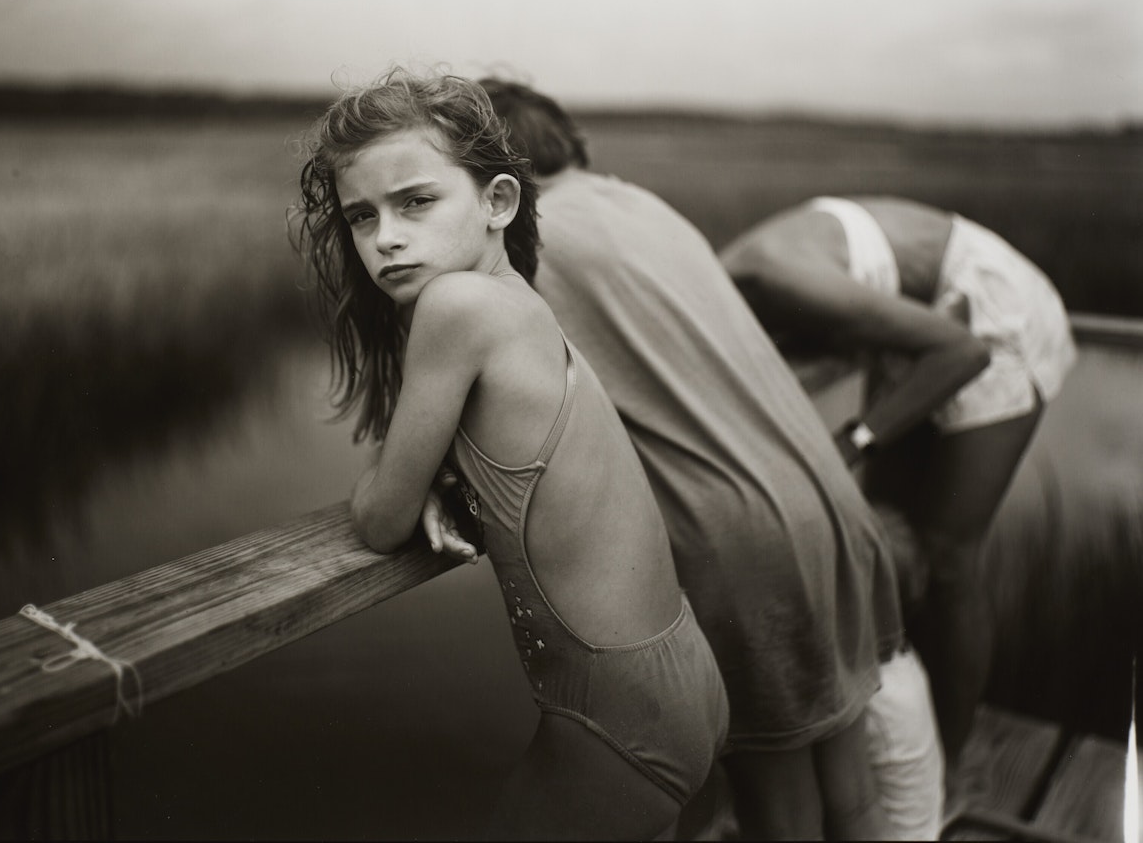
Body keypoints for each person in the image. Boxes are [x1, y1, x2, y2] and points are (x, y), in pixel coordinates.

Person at [429, 79, 936, 840]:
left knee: (780, 810)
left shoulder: (521, 246)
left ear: (488, 176)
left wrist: (442, 474)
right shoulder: (643, 205)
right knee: (850, 787)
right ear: (569, 144)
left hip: (737, 538)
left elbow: (485, 390)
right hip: (829, 502)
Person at [290, 68, 729, 841]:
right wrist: (439, 470)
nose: (385, 237)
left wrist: (399, 479)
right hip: (671, 674)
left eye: (414, 202)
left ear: (497, 202)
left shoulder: (456, 306)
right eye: (361, 216)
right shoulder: (520, 304)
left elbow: (381, 521)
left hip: (616, 712)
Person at [718, 195, 1077, 792]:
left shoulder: (771, 274)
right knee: (887, 543)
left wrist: (854, 441)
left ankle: (953, 770)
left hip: (988, 311)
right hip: (922, 327)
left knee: (948, 557)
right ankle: (897, 743)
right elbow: (802, 370)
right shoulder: (724, 290)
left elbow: (963, 351)